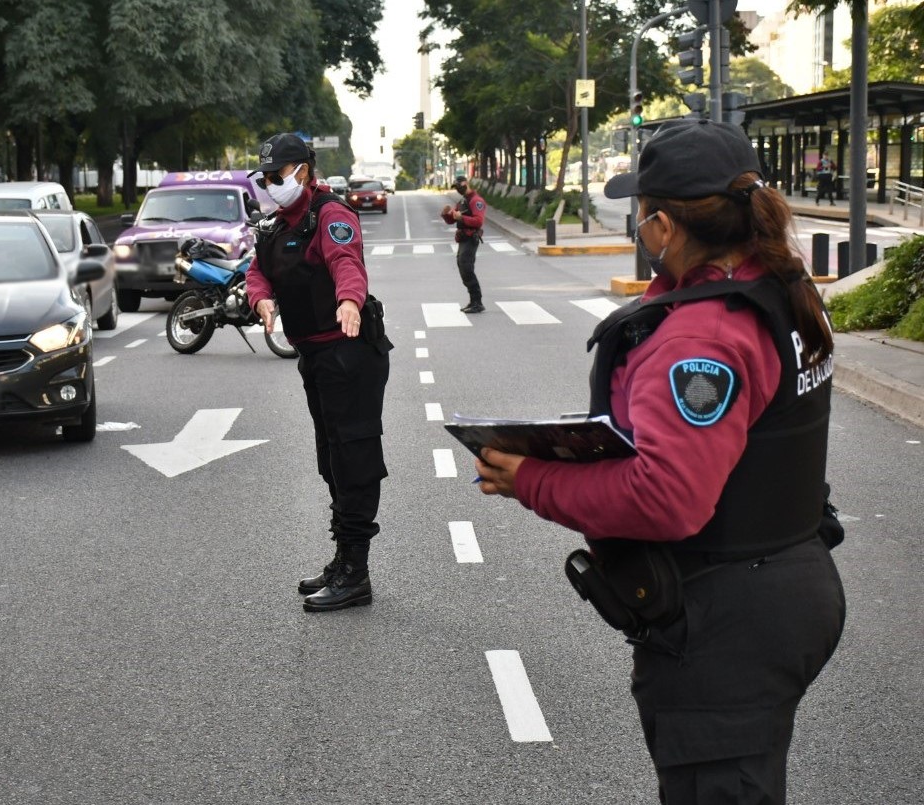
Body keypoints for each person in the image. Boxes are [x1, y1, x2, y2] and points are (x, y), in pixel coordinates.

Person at [474, 120, 845, 803]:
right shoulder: (779, 287)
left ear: (665, 227)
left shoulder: (703, 335)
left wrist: (529, 477)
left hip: (727, 624)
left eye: (641, 213)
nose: (639, 226)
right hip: (784, 586)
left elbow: (667, 496)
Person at [246, 132, 393, 613]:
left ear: (303, 172)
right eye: (266, 177)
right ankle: (341, 559)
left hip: (349, 356)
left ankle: (357, 571)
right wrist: (262, 299)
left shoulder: (329, 215)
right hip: (314, 356)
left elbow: (346, 263)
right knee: (330, 460)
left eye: (278, 175)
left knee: (353, 460)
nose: (272, 184)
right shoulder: (274, 225)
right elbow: (257, 271)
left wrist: (349, 302)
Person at [441, 174, 486, 313]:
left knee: (466, 268)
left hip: (471, 238)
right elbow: (453, 219)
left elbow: (479, 221)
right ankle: (473, 301)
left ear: (466, 183)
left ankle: (477, 302)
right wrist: (446, 214)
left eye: (459, 186)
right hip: (463, 238)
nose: (458, 189)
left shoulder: (476, 201)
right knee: (462, 267)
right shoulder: (462, 201)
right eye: (456, 187)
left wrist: (462, 217)